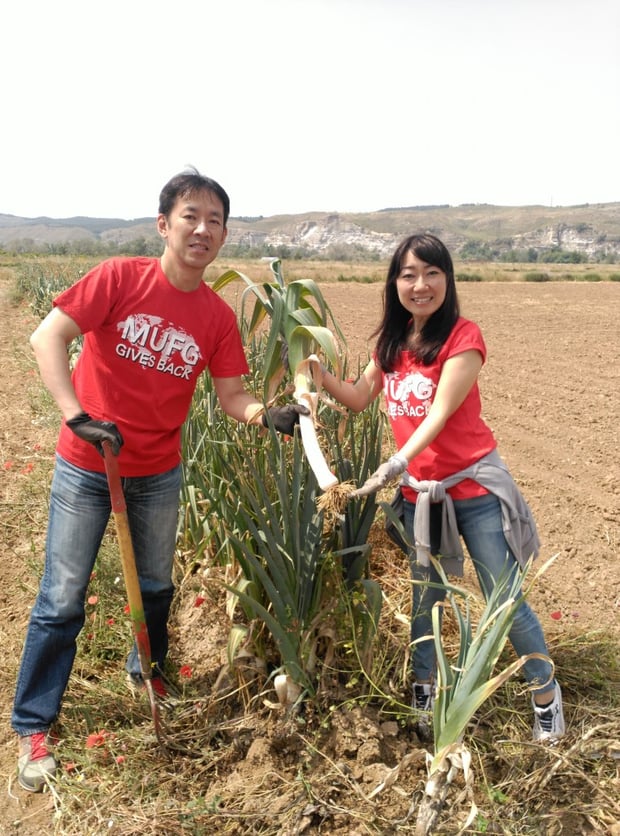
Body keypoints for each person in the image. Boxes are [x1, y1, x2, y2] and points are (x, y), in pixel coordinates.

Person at [12, 168, 309, 792]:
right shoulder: (120, 278)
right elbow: (49, 337)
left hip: (156, 473)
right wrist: (79, 417)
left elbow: (232, 395)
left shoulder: (214, 317)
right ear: (164, 224)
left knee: (154, 587)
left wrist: (266, 415)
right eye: (190, 217)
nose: (203, 230)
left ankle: (146, 670)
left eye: (215, 221)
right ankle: (35, 723)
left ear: (224, 234)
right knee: (62, 598)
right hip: (86, 466)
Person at [314, 233, 565, 744]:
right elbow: (360, 397)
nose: (419, 284)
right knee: (426, 599)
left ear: (447, 280)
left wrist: (397, 460)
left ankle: (546, 695)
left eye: (431, 273)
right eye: (408, 274)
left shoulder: (463, 337)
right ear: (395, 283)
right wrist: (314, 375)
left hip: (471, 493)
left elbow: (439, 412)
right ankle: (423, 692)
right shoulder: (390, 342)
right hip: (420, 497)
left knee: (504, 598)